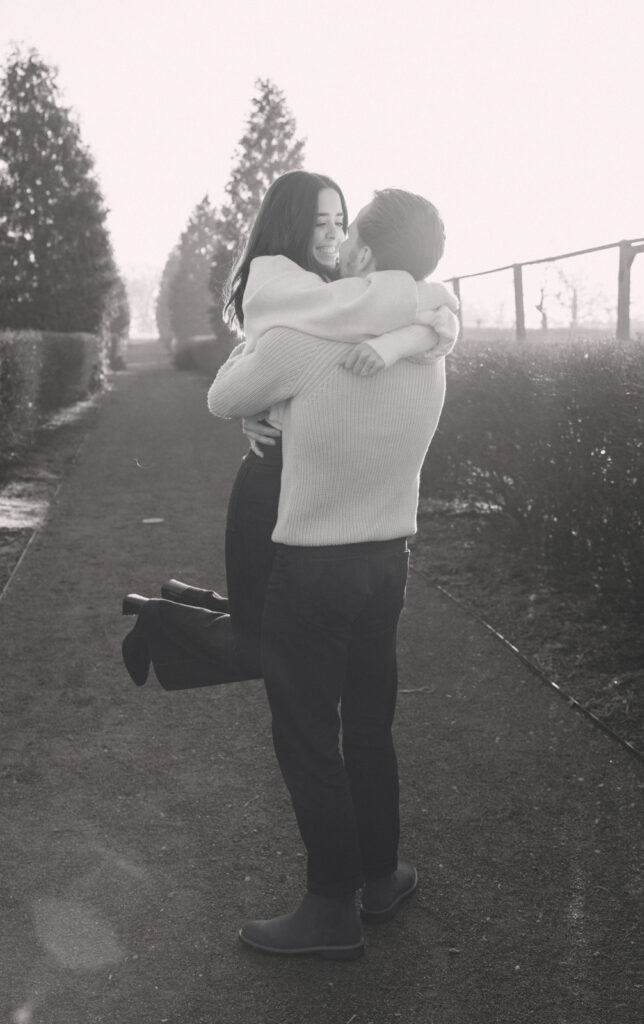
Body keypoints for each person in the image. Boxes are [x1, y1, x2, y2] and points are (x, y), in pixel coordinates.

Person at [205, 187, 456, 960]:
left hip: (315, 571)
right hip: (390, 563)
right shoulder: (430, 342)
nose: (336, 245)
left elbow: (223, 396)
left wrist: (267, 388)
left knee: (308, 735)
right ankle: (380, 878)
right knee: (370, 726)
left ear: (367, 258)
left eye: (348, 237)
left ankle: (328, 907)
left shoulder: (302, 341)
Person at [121, 172, 457, 690]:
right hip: (273, 486)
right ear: (292, 226)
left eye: (341, 222)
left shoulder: (340, 290)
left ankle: (179, 607)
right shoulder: (292, 290)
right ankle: (160, 617)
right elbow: (243, 383)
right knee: (267, 645)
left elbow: (430, 325)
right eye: (320, 222)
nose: (334, 235)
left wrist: (406, 335)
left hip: (316, 492)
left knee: (281, 637)